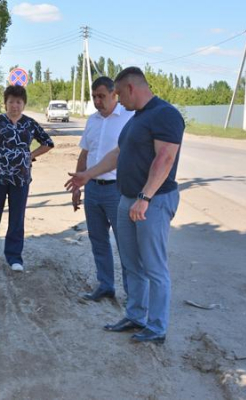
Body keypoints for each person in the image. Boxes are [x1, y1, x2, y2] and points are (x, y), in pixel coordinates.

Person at [65, 67, 184, 343]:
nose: (117, 99)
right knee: (131, 264)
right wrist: (88, 174)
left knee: (154, 266)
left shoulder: (165, 114)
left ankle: (156, 327)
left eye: (118, 93)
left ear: (131, 88)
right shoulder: (137, 118)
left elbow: (165, 159)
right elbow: (118, 154)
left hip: (152, 201)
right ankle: (136, 316)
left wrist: (145, 198)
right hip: (128, 199)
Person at [0, 85, 54, 272]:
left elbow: (48, 143)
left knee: (17, 220)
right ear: (5, 103)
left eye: (18, 102)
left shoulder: (30, 123)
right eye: (11, 101)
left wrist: (30, 155)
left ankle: (14, 257)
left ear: (24, 104)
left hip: (21, 180)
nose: (15, 105)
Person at [73, 76, 133, 302]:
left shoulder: (129, 118)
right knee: (98, 240)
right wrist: (77, 186)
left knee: (125, 243)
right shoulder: (92, 121)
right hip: (93, 190)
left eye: (102, 96)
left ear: (114, 95)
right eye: (94, 97)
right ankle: (105, 285)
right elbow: (85, 153)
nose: (98, 101)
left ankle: (132, 294)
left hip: (117, 190)